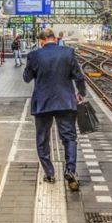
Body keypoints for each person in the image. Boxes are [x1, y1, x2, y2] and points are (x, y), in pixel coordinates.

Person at [23, 28, 87, 190]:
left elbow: (26, 78)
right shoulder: (68, 53)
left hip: (42, 103)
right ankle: (70, 171)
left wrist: (30, 65)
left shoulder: (34, 55)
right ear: (54, 39)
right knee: (69, 138)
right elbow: (79, 77)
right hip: (65, 101)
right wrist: (81, 93)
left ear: (42, 41)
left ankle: (50, 173)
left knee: (42, 139)